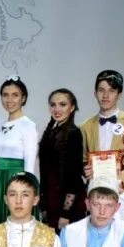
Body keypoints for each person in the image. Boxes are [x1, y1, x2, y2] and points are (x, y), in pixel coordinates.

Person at [80, 70, 124, 196]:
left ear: (119, 94)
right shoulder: (85, 126)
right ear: (95, 94)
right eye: (101, 90)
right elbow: (84, 159)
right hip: (96, 191)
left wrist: (122, 179)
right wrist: (86, 170)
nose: (105, 96)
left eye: (111, 91)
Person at [0, 76, 38, 226]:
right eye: (5, 95)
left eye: (15, 95)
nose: (9, 100)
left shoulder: (28, 126)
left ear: (23, 98)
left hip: (16, 180)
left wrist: (25, 190)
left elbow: (30, 165)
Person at [38, 88, 87, 231]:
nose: (57, 109)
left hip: (68, 202)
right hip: (52, 198)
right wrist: (44, 206)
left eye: (62, 104)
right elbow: (45, 173)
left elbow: (73, 175)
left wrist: (66, 213)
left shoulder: (73, 133)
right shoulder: (51, 133)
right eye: (53, 105)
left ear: (72, 108)